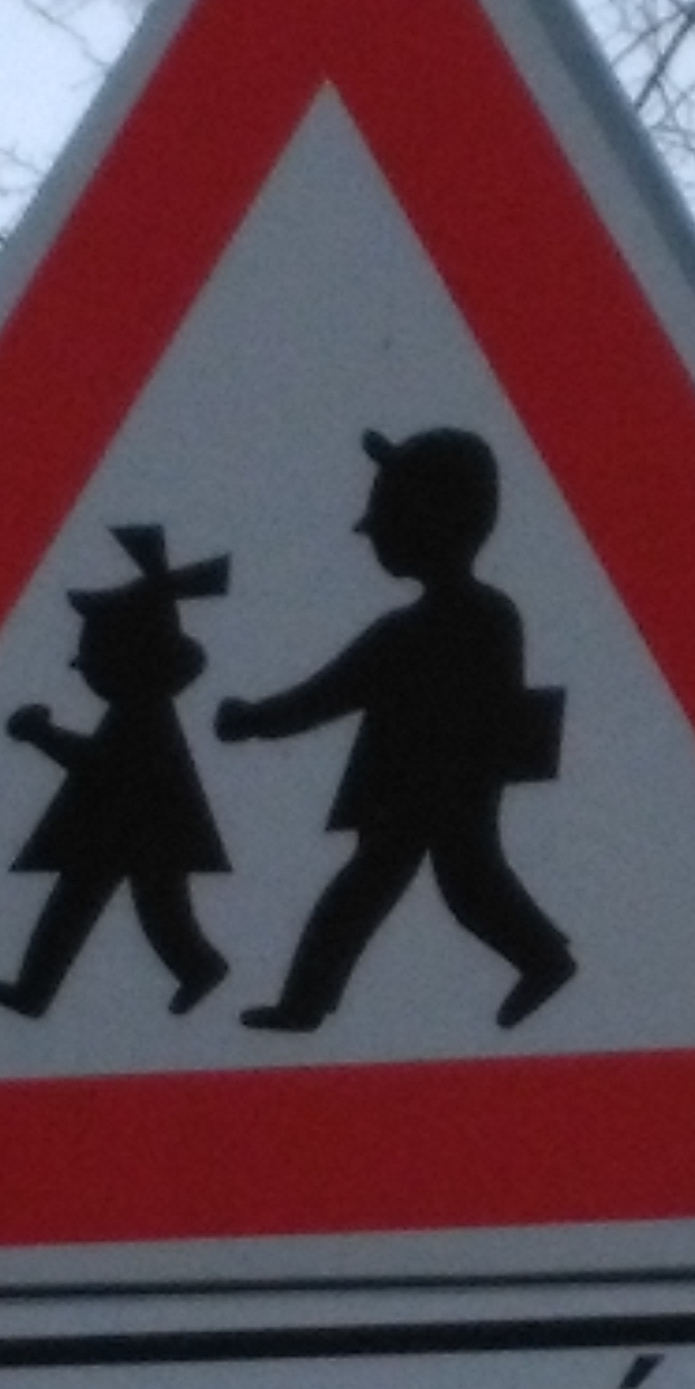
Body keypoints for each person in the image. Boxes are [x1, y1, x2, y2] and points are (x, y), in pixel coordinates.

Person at [215, 426, 574, 1031]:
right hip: (437, 784)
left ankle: (541, 960)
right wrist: (258, 721)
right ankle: (541, 959)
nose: (371, 532)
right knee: (448, 883)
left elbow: (328, 694)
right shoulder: (485, 616)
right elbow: (334, 691)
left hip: (425, 786)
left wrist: (255, 720)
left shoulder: (433, 627)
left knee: (421, 886)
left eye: (385, 516)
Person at [0, 523, 232, 1019]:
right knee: (104, 907)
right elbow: (103, 766)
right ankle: (36, 990)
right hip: (122, 827)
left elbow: (99, 765)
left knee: (147, 910)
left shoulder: (141, 716)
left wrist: (41, 734)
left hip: (139, 828)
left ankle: (197, 967)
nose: (80, 664)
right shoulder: (138, 713)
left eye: (91, 652)